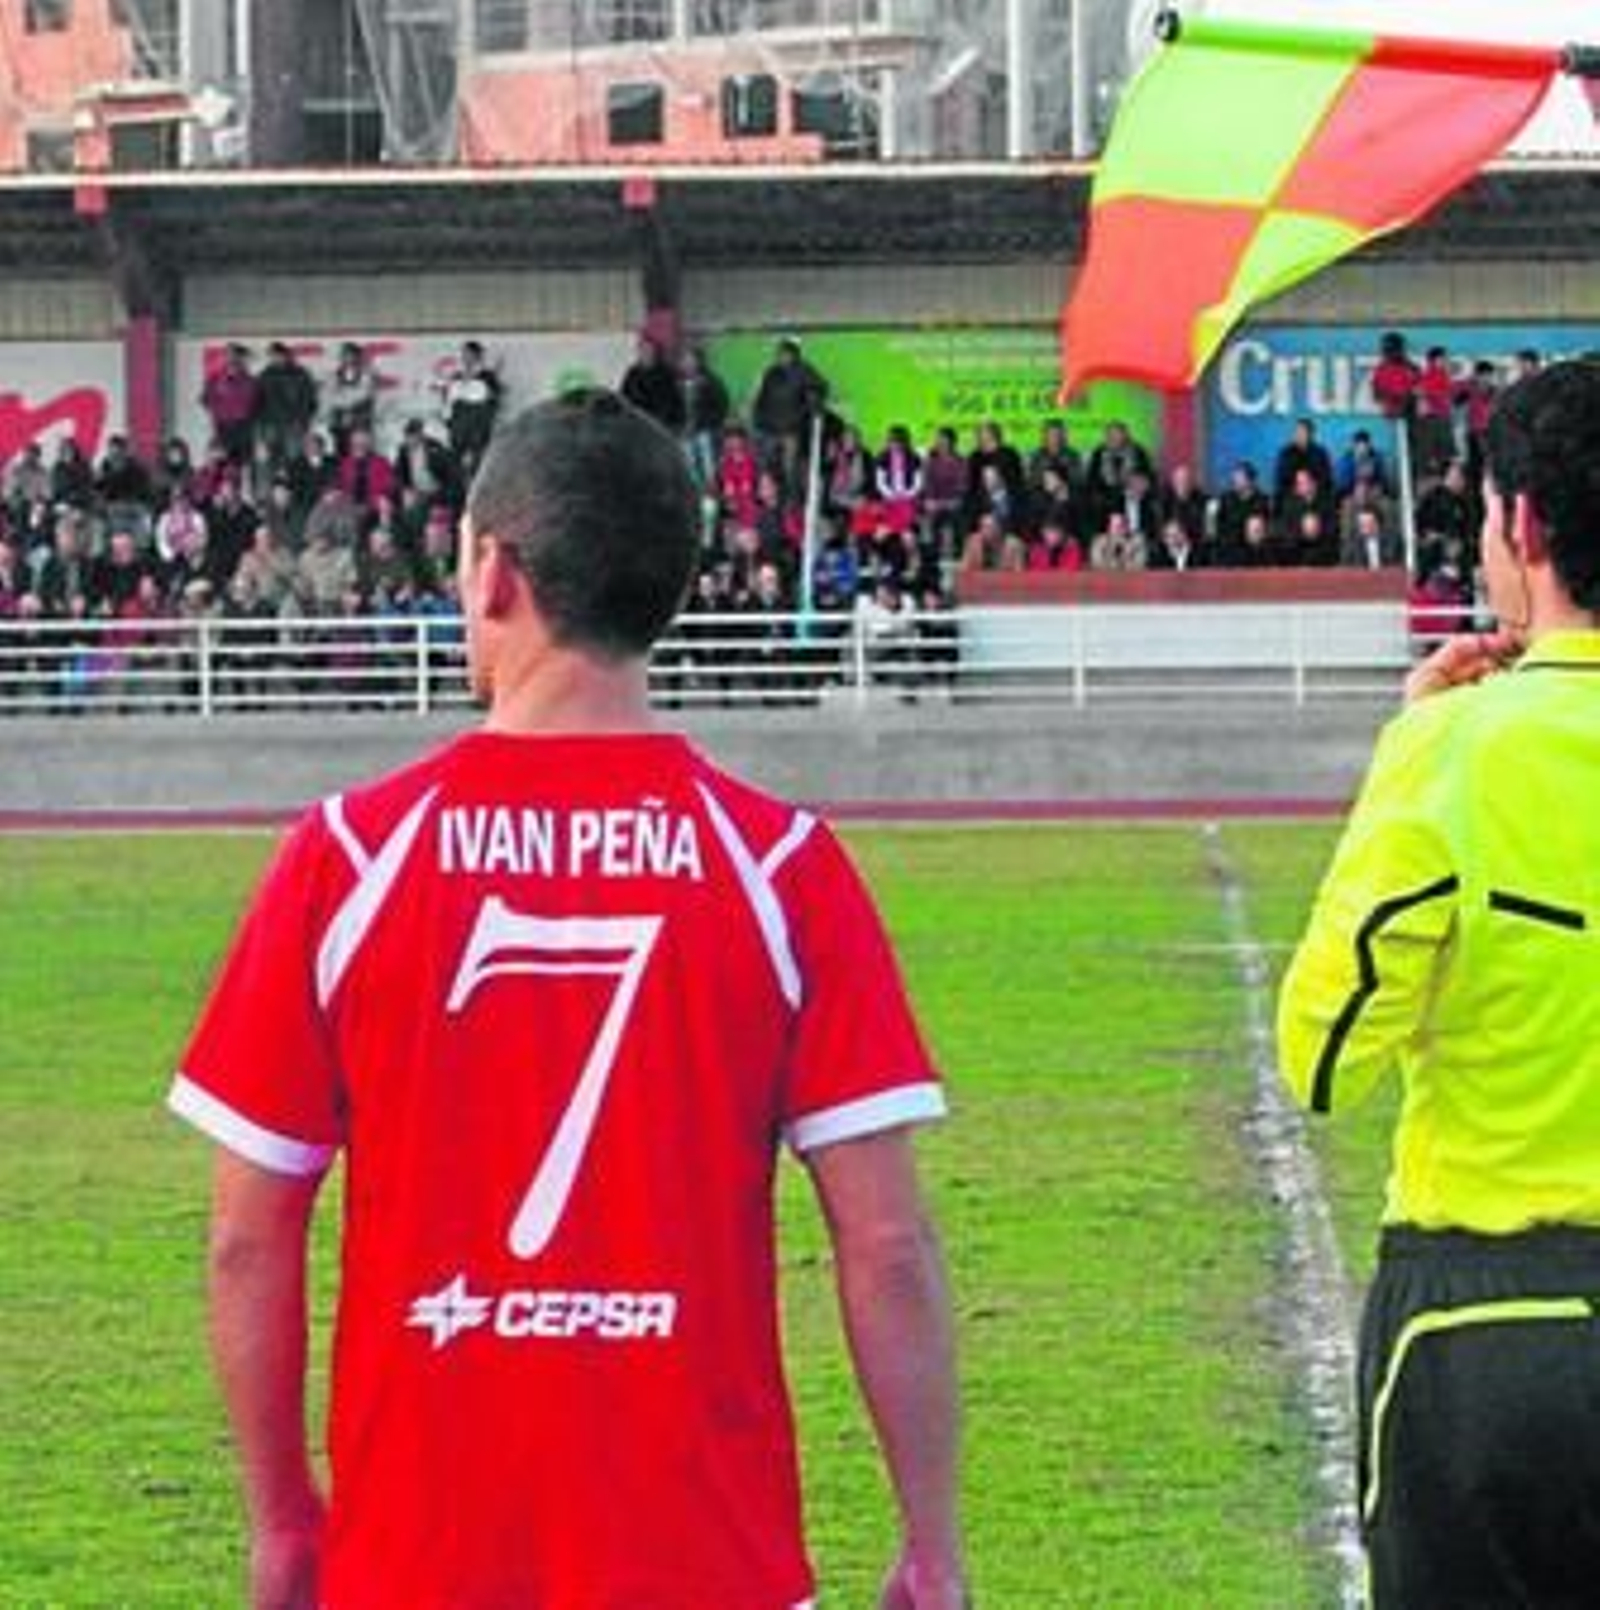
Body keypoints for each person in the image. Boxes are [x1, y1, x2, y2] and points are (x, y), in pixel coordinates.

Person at [166, 389, 966, 1610]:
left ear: (491, 573)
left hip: (416, 1568)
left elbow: (246, 1236)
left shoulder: (347, 860)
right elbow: (889, 1243)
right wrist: (929, 1542)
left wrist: (283, 1522)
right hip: (712, 1566)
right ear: (670, 587)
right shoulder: (780, 869)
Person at [1277, 358, 1600, 1609]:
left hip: (1481, 1332)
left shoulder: (1450, 751)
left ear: (1520, 522)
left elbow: (1323, 1052)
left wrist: (1407, 751)